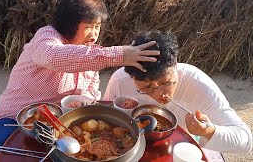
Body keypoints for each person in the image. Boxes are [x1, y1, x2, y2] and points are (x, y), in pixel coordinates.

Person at [0, 0, 159, 161]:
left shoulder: (90, 53)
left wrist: (84, 102)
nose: (94, 33)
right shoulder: (46, 38)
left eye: (97, 27)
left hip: (59, 124)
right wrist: (119, 55)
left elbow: (91, 88)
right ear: (69, 24)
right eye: (88, 27)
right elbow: (54, 57)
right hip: (17, 120)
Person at [103, 30, 252, 154]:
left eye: (165, 82)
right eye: (146, 88)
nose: (159, 93)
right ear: (131, 77)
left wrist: (209, 131)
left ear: (176, 64)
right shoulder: (120, 81)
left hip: (182, 151)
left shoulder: (197, 84)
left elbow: (246, 141)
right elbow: (106, 118)